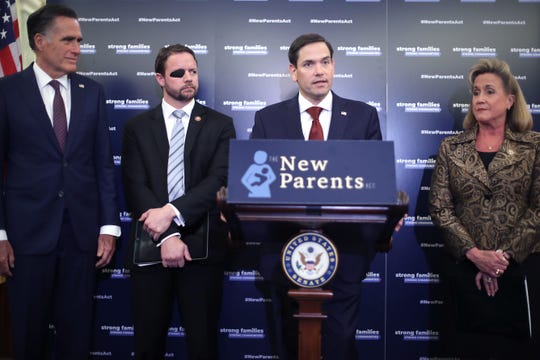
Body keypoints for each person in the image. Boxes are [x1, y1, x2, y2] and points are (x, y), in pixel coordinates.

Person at [250, 33, 390, 360]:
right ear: (293, 71)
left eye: (325, 62)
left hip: (345, 253)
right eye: (309, 64)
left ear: (334, 65)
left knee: (340, 344)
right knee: (288, 344)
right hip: (284, 254)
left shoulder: (362, 116)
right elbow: (255, 186)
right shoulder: (268, 119)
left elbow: (376, 184)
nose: (319, 70)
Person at [0, 4, 120, 359]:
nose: (77, 48)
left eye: (79, 40)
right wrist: (1, 234)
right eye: (68, 39)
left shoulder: (91, 91)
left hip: (81, 235)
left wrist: (109, 226)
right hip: (26, 237)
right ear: (39, 41)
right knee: (27, 335)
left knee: (76, 335)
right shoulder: (7, 92)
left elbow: (103, 164)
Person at [121, 44, 236, 360]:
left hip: (203, 249)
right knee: (147, 343)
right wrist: (168, 235)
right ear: (159, 78)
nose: (189, 78)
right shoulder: (137, 128)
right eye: (178, 73)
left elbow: (218, 180)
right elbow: (135, 185)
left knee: (203, 344)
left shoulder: (219, 124)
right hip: (152, 243)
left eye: (193, 71)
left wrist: (171, 212)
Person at [429, 58, 540, 359]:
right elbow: (439, 207)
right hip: (465, 271)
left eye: (489, 91)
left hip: (520, 269)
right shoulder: (451, 148)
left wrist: (501, 259)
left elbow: (538, 210)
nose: (479, 98)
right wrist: (476, 256)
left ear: (510, 100)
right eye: (476, 92)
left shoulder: (534, 146)